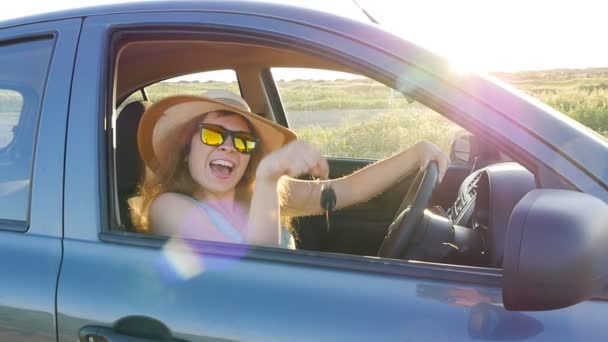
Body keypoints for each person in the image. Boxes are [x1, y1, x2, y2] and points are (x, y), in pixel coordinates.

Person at [131, 89, 448, 249]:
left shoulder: (257, 193)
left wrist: (415, 153)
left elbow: (344, 191)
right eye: (213, 134)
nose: (228, 147)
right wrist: (269, 178)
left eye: (242, 141)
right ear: (187, 150)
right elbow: (256, 275)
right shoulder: (168, 207)